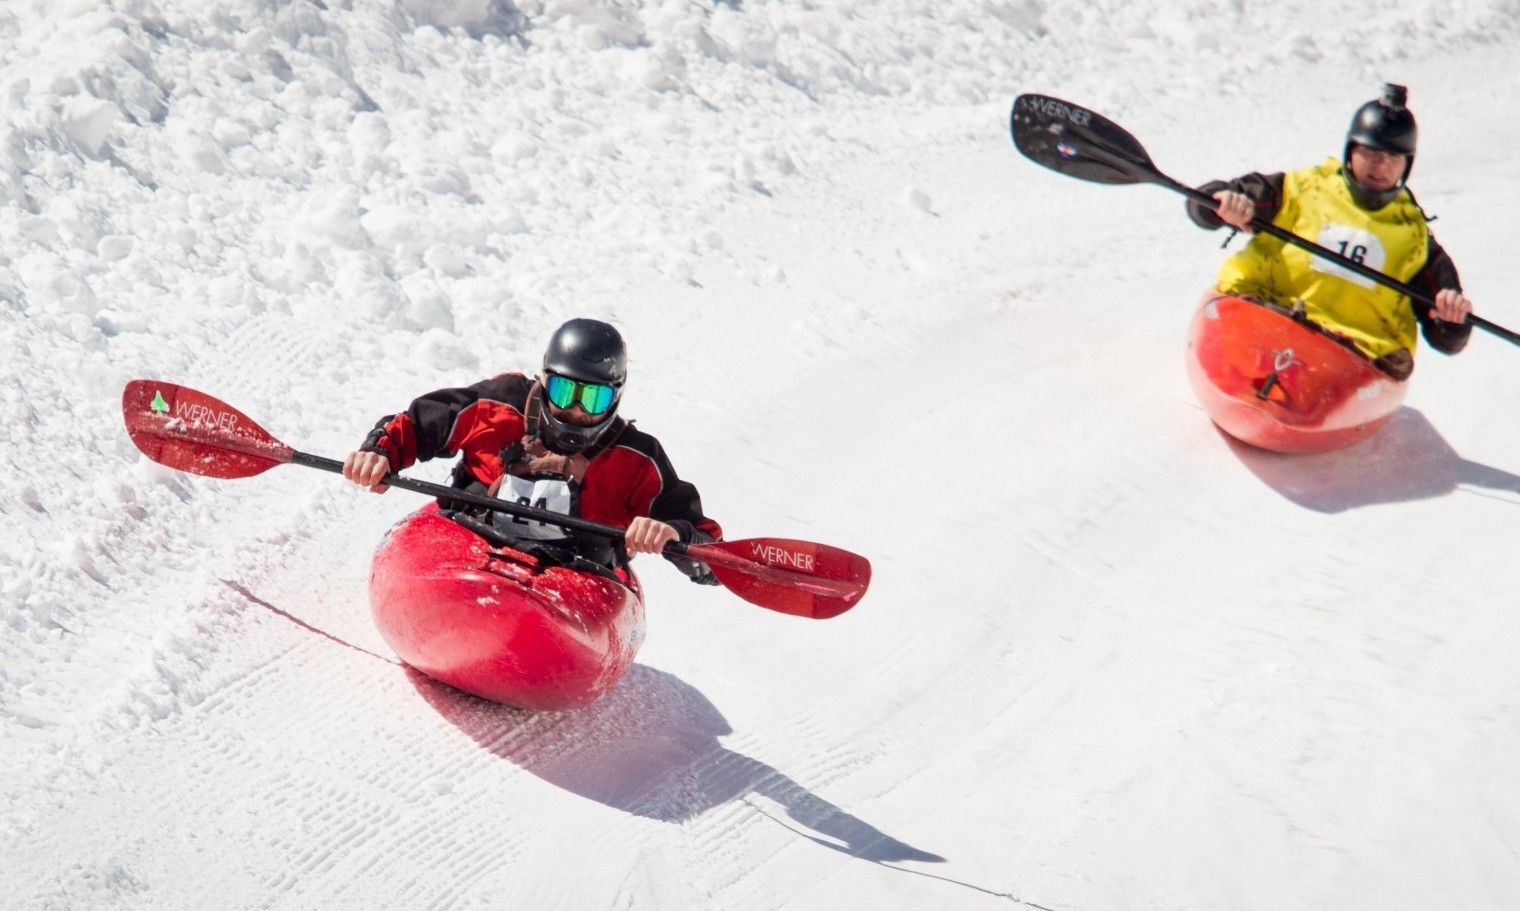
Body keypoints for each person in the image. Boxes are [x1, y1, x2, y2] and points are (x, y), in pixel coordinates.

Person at [342, 317, 721, 583]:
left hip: (576, 574)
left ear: (616, 397)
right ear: (543, 379)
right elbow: (417, 424)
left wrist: (671, 533)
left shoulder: (639, 460)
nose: (574, 408)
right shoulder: (499, 403)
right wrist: (380, 452)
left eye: (592, 397)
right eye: (562, 390)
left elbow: (710, 551)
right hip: (469, 536)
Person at [1185, 83, 1475, 380]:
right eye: (1371, 152)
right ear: (1351, 150)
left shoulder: (1414, 240)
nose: (1381, 166)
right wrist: (1222, 204)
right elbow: (1201, 205)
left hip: (1350, 358)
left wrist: (1452, 322)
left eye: (1394, 158)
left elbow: (1446, 339)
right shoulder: (1300, 189)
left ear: (1407, 165)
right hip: (1264, 315)